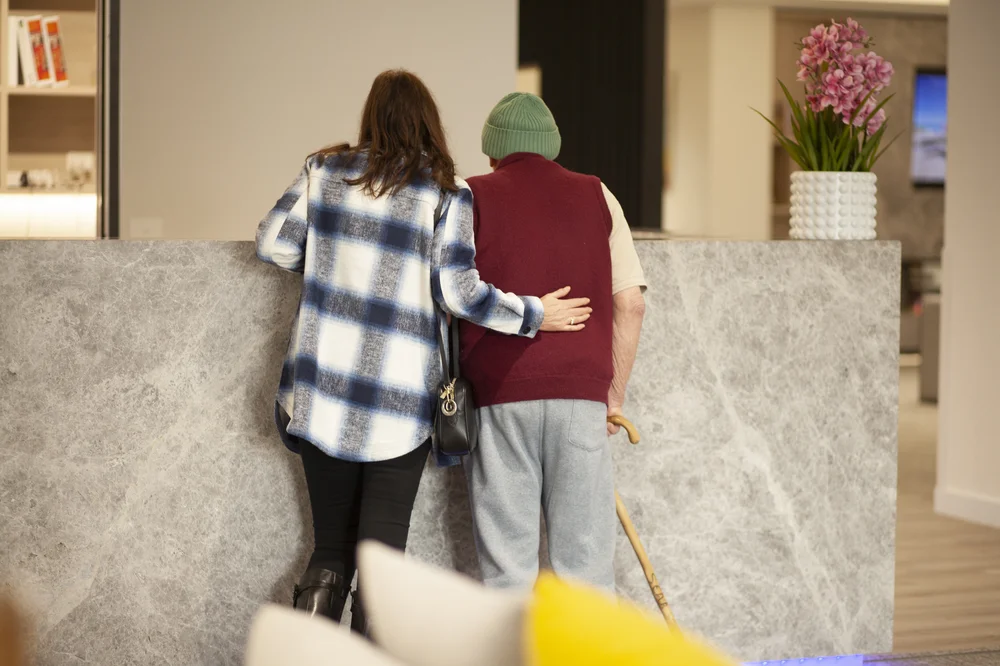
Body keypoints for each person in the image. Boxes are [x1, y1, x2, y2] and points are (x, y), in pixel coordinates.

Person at [255, 72, 592, 636]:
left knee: (328, 550)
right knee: (380, 567)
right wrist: (534, 313)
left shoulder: (325, 172)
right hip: (399, 404)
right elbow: (458, 293)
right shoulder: (444, 191)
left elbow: (272, 243)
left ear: (370, 117)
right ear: (429, 124)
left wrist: (328, 268)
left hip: (322, 395)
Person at [461, 93, 647, 593]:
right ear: (552, 145)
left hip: (500, 397)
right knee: (585, 574)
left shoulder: (469, 195)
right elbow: (631, 303)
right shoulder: (598, 194)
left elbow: (449, 294)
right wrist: (613, 394)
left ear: (493, 150)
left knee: (508, 572)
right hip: (581, 400)